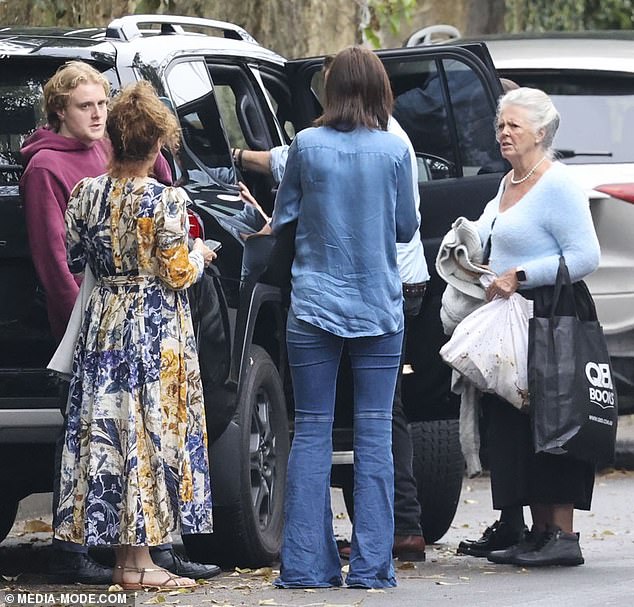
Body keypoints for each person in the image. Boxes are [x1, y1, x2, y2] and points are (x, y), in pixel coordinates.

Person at [19, 61, 220, 584]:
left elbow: (73, 255)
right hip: (154, 329)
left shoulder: (86, 193)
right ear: (156, 143)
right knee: (150, 436)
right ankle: (142, 561)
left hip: (104, 323)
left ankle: (131, 565)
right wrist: (201, 252)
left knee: (111, 438)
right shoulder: (164, 198)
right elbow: (177, 272)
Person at [268, 46, 417, 589]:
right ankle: (373, 568)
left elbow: (284, 216)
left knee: (311, 431)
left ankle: (307, 566)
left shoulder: (304, 146)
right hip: (379, 308)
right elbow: (405, 228)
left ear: (331, 92)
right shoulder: (395, 151)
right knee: (375, 432)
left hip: (312, 307)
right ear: (379, 90)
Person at [460, 87, 600, 567]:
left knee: (555, 419)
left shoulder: (557, 183)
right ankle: (537, 533)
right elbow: (484, 229)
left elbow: (585, 256)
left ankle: (562, 535)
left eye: (513, 125)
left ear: (540, 132)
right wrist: (461, 243)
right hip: (513, 316)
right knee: (518, 424)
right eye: (500, 125)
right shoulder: (508, 182)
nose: (503, 133)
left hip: (553, 312)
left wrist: (520, 275)